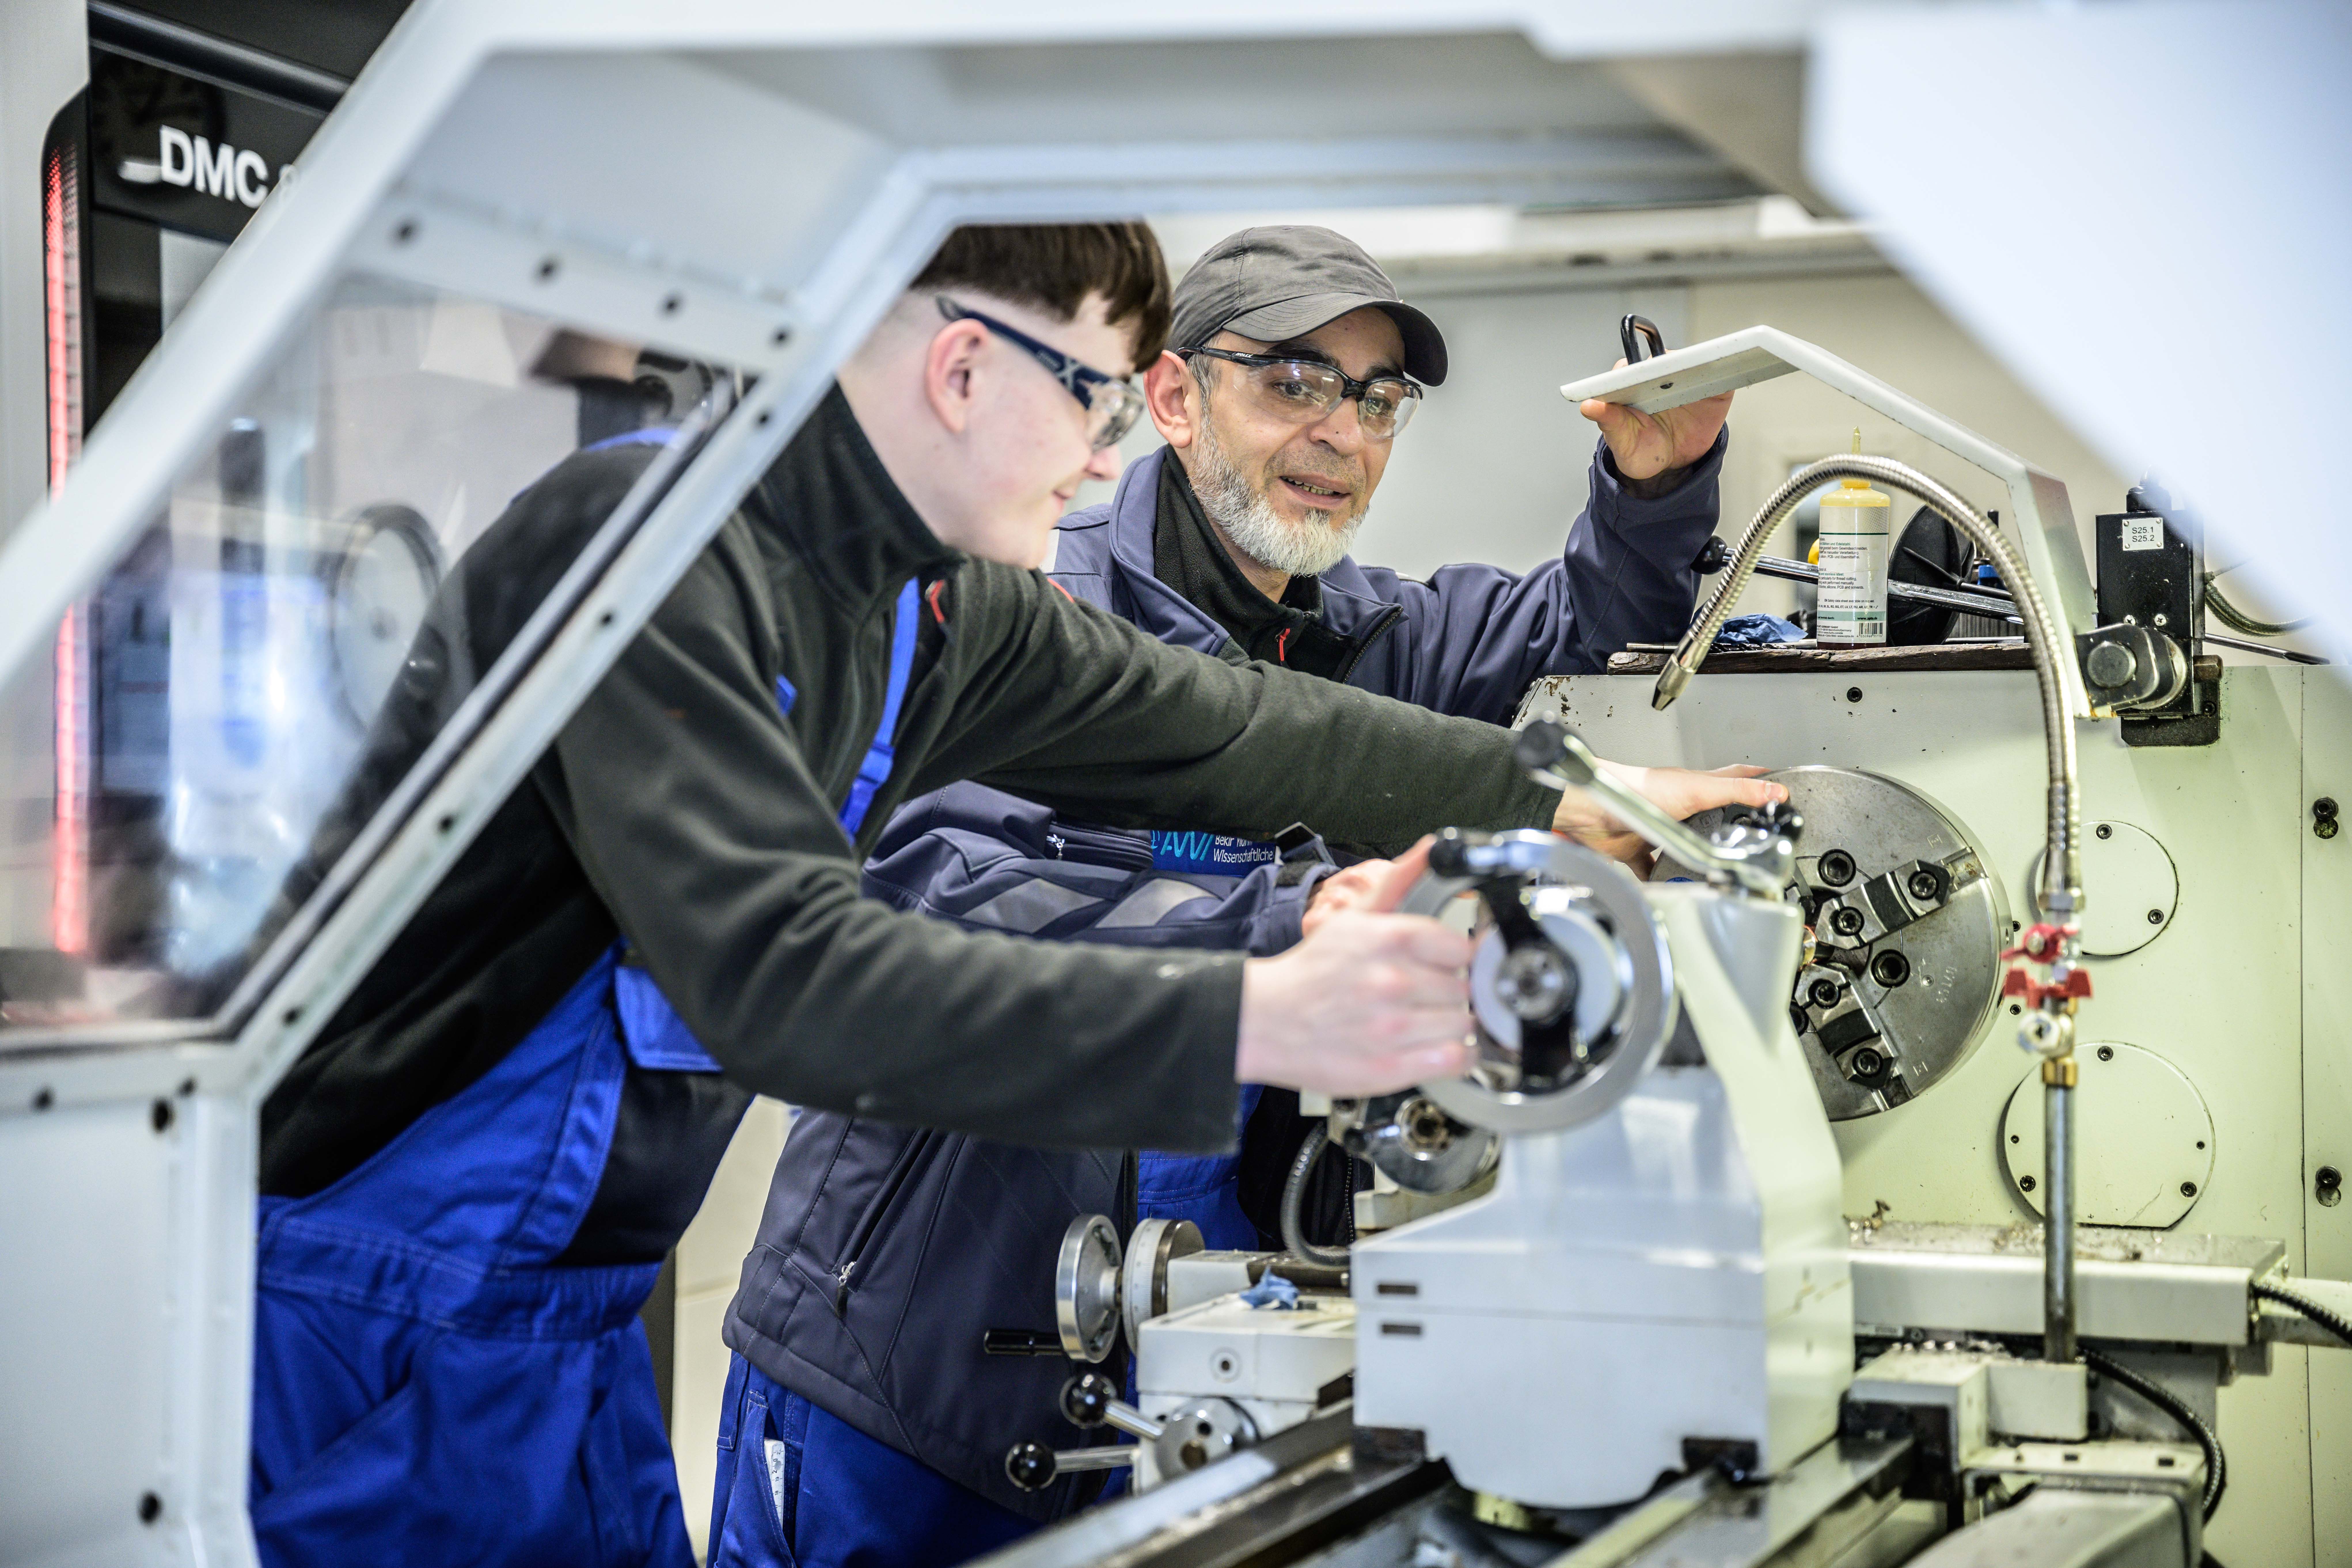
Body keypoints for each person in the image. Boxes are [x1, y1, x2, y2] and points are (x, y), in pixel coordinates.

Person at [241, 221, 1768, 1568]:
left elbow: (1233, 730)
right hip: (360, 1330)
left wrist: (1575, 805)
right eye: (1096, 396)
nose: (1108, 455)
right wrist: (1265, 999)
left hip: (558, 1345)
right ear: (964, 370)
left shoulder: (925, 603)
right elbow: (785, 976)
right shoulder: (641, 557)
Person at [708, 226, 1757, 1568]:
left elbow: (1576, 630)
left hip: (1202, 1357)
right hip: (911, 1358)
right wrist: (1303, 918)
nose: (1346, 433)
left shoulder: (1371, 634)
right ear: (1173, 397)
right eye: (1298, 383)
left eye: (1380, 400)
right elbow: (954, 903)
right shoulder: (1025, 597)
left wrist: (1654, 483)